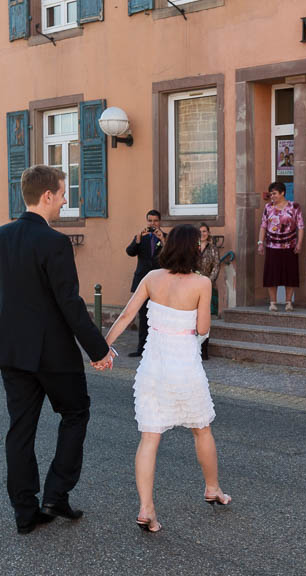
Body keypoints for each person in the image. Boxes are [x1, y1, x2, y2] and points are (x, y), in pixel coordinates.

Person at [0, 165, 115, 535]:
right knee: (75, 413)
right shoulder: (54, 242)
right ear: (46, 196)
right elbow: (69, 304)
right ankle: (56, 494)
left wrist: (12, 333)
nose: (65, 199)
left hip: (12, 350)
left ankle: (25, 512)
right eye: (62, 193)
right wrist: (98, 348)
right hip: (53, 354)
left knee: (20, 430)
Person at [101, 224, 231, 533]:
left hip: (153, 368)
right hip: (185, 367)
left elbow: (126, 316)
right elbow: (202, 330)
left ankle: (146, 508)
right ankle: (212, 488)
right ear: (193, 250)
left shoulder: (151, 278)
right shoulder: (201, 284)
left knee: (149, 437)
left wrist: (103, 348)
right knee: (202, 430)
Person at [257, 182, 304, 311]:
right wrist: (260, 243)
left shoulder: (294, 207)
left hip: (290, 246)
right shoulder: (268, 208)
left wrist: (299, 243)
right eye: (271, 194)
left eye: (274, 193)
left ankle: (289, 302)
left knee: (290, 275)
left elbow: (300, 227)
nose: (272, 196)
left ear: (282, 193)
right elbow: (263, 226)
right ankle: (273, 302)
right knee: (272, 275)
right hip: (272, 246)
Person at [126, 210, 167, 358]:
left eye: (155, 221)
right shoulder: (140, 237)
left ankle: (159, 349)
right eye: (150, 221)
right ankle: (141, 349)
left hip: (160, 282)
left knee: (160, 316)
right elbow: (130, 252)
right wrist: (137, 239)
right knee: (143, 316)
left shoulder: (165, 237)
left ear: (160, 222)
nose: (152, 224)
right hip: (142, 281)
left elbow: (170, 255)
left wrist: (162, 240)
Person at [198, 222, 220, 360]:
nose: (202, 234)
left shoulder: (213, 248)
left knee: (205, 319)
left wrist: (208, 282)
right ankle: (194, 350)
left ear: (209, 232)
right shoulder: (192, 248)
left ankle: (204, 351)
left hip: (208, 286)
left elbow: (216, 266)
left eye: (204, 231)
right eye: (200, 231)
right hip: (192, 286)